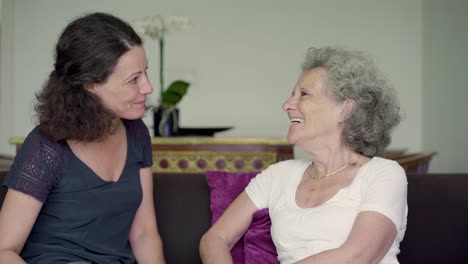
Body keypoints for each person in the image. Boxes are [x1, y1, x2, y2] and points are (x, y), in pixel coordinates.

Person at [200, 46, 407, 264]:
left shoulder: (383, 173)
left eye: (304, 94)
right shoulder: (278, 175)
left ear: (345, 109)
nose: (287, 105)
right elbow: (214, 239)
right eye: (292, 95)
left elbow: (356, 256)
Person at [0, 12, 165, 263]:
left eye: (145, 72)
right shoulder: (46, 146)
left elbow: (144, 234)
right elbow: (4, 250)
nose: (148, 87)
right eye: (134, 79)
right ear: (90, 84)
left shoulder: (137, 132)